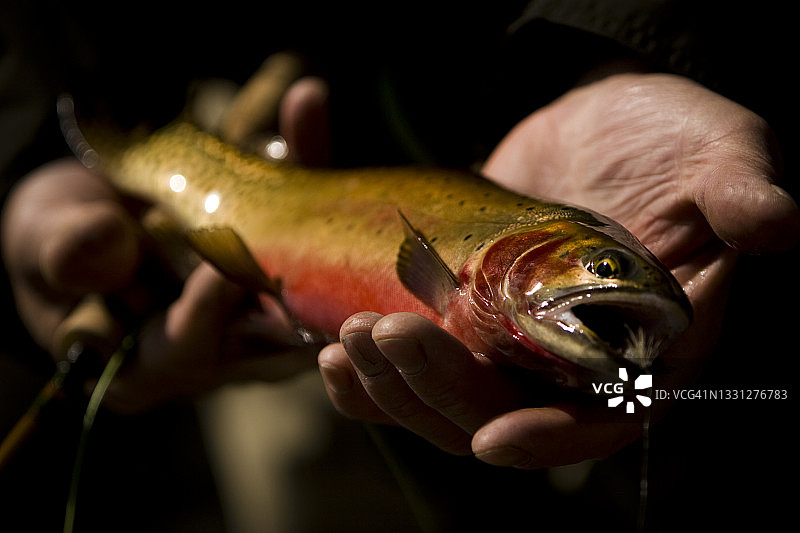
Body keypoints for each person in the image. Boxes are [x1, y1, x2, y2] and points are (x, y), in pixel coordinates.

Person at [1, 1, 797, 530]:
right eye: (596, 265)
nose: (608, 294)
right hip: (256, 115)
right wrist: (30, 161)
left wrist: (609, 56)